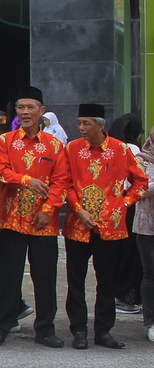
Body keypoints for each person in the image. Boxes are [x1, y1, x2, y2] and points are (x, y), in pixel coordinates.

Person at [0, 87, 70, 348]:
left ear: (42, 111)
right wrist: (26, 180)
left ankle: (45, 329)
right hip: (10, 219)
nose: (24, 112)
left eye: (30, 107)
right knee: (5, 277)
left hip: (43, 223)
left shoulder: (55, 145)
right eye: (20, 108)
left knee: (44, 277)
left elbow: (61, 181)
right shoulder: (5, 141)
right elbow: (1, 171)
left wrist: (48, 211)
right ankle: (0, 325)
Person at [63, 103, 148, 350]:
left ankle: (104, 331)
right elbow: (65, 184)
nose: (81, 128)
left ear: (100, 125)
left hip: (110, 227)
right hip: (77, 225)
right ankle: (78, 330)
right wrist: (78, 209)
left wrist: (124, 204)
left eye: (86, 123)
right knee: (75, 281)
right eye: (79, 123)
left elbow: (140, 182)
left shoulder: (121, 150)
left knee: (106, 281)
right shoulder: (72, 149)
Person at [108, 113, 145, 315]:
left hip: (114, 204)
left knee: (118, 251)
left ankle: (118, 293)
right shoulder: (133, 150)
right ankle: (126, 296)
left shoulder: (111, 146)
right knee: (132, 253)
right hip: (130, 205)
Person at [132, 131, 154, 342]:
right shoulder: (141, 159)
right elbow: (135, 187)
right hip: (148, 226)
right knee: (150, 274)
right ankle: (151, 321)